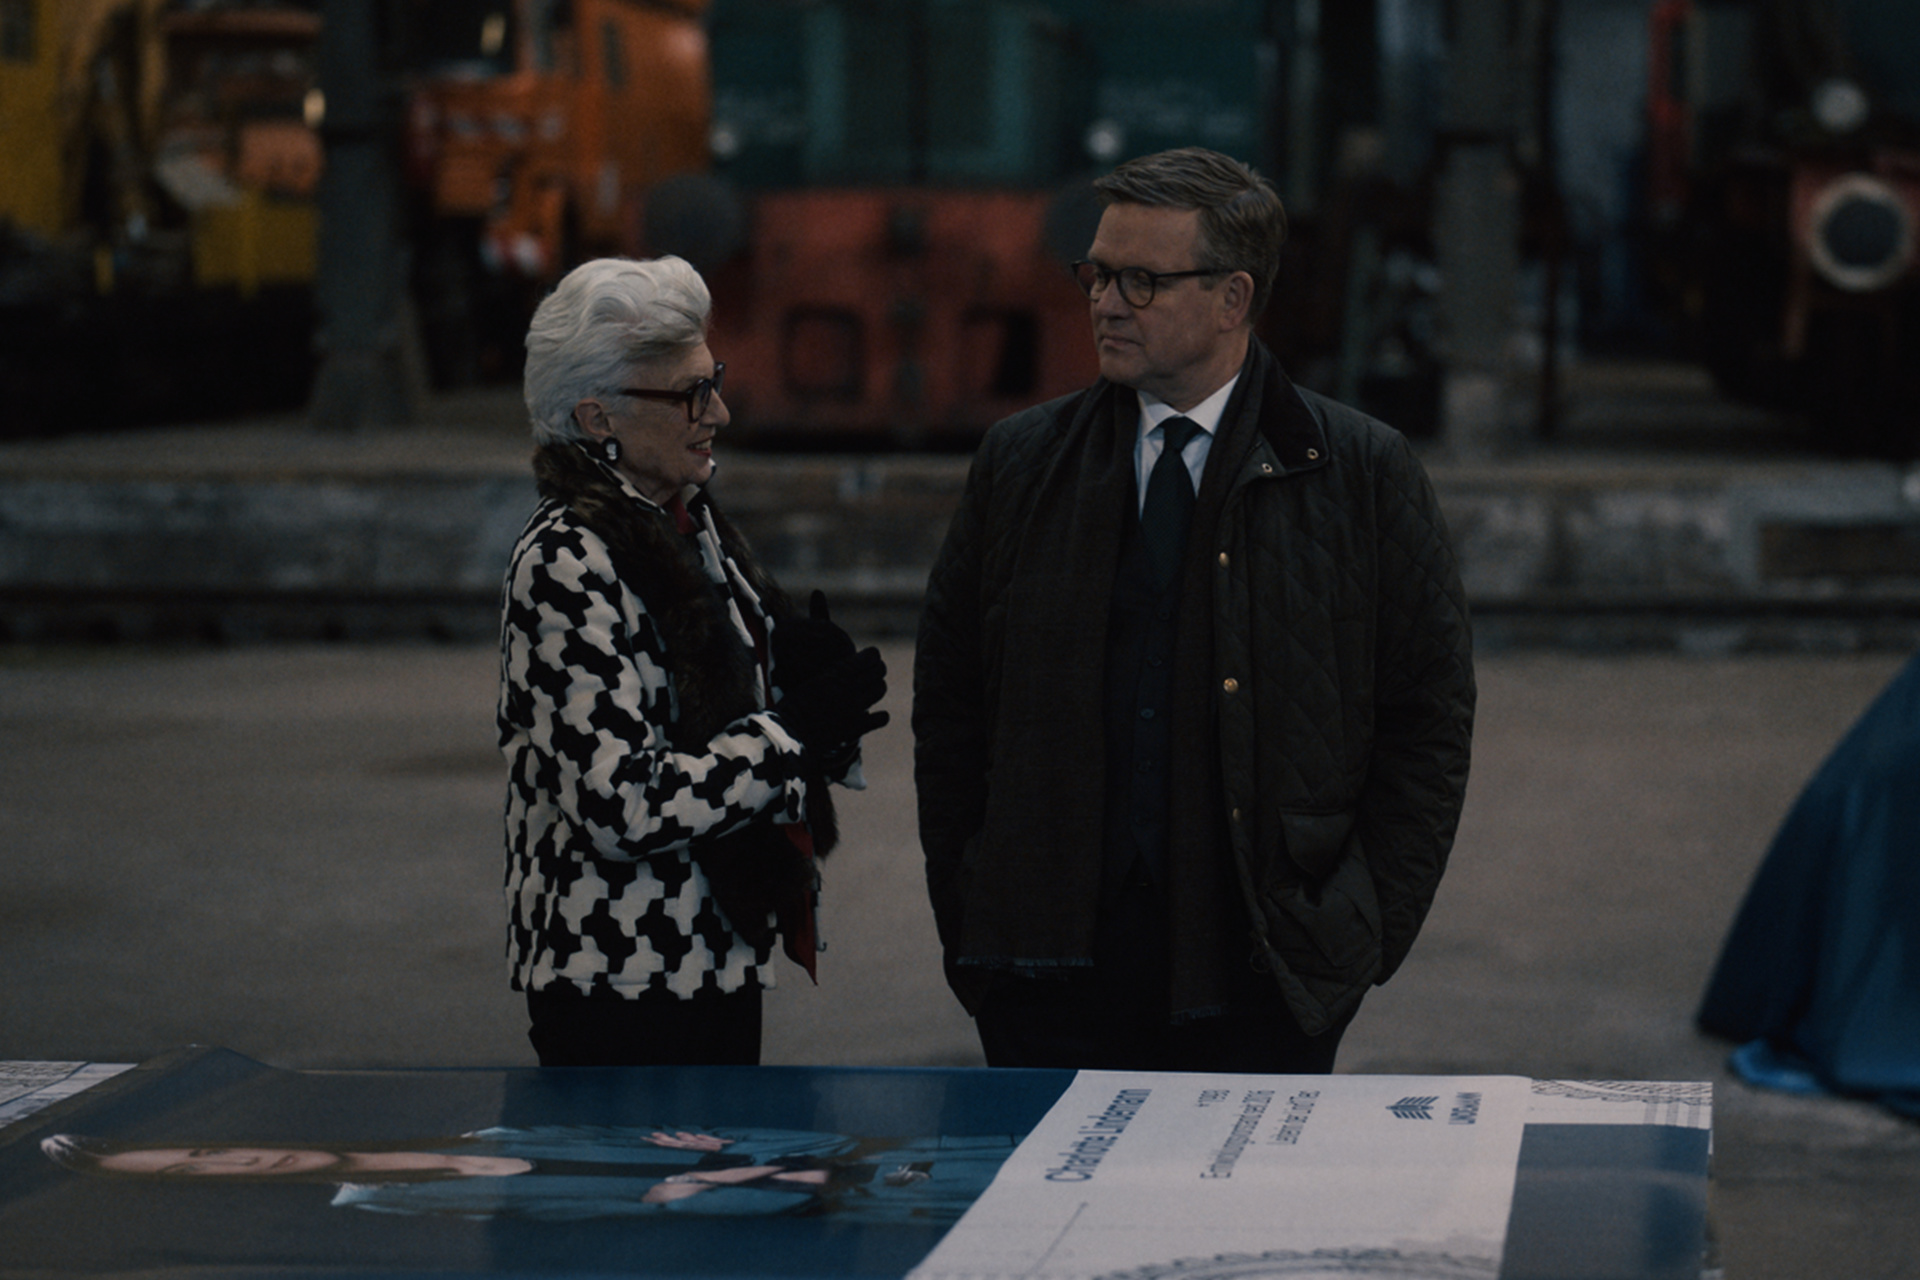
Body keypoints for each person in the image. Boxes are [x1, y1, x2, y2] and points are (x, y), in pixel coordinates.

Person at [912, 147, 1474, 1072]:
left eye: (1142, 281)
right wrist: (971, 906)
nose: (1105, 303)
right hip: (1044, 973)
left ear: (1232, 298)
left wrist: (1358, 928)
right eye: (1097, 274)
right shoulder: (1021, 463)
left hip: (1262, 972)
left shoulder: (1359, 472)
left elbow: (1429, 716)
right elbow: (951, 705)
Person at [502, 256, 888, 1067]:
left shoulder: (686, 523)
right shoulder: (566, 560)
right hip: (620, 978)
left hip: (711, 958)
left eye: (713, 381)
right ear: (597, 418)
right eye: (689, 395)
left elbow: (721, 723)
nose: (718, 411)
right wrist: (790, 735)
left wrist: (811, 699)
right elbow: (620, 805)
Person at [41, 1126, 1015, 1222]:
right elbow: (643, 1212)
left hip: (840, 1159)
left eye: (202, 1145)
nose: (238, 1156)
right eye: (205, 1172)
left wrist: (710, 1149)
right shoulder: (397, 1204)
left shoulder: (490, 1125)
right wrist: (705, 1186)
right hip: (839, 1199)